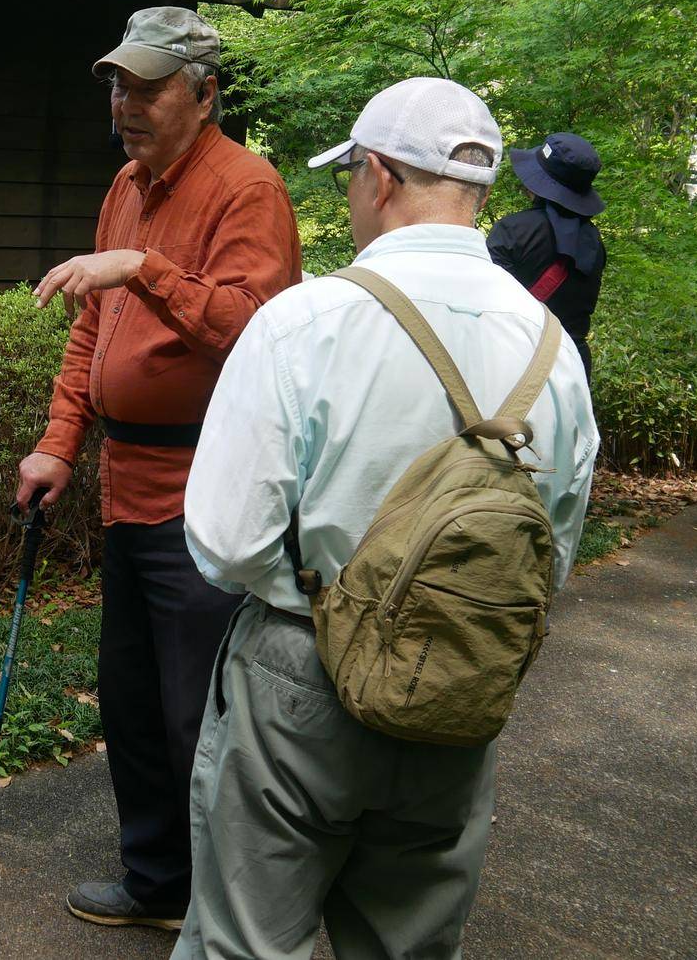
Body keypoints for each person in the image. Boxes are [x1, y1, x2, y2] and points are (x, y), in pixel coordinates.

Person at [176, 77, 598, 960]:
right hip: (463, 674)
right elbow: (550, 552)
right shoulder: (552, 347)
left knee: (247, 944)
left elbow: (226, 540)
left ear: (376, 175)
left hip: (303, 672)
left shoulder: (307, 322)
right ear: (478, 194)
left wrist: (316, 594)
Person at [14, 6, 302, 932]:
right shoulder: (127, 184)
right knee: (135, 705)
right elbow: (92, 333)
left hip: (206, 495)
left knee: (202, 717)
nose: (124, 104)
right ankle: (158, 884)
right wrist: (61, 441)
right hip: (125, 490)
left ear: (205, 92)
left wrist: (143, 267)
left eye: (146, 87)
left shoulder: (245, 188)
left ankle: (224, 902)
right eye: (116, 85)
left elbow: (257, 327)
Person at [487, 131, 607, 374]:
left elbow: (487, 307)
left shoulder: (511, 230)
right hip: (574, 363)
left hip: (517, 360)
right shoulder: (593, 240)